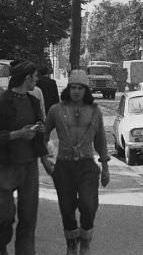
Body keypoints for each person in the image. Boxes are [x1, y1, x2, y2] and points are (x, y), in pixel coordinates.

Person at [43, 70, 110, 255]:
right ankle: (72, 244)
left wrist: (105, 167)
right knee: (67, 208)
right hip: (64, 166)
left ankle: (86, 242)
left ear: (86, 90)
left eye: (80, 87)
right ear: (68, 88)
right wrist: (46, 159)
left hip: (87, 165)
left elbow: (101, 140)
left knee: (88, 206)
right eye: (73, 87)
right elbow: (44, 135)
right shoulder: (56, 110)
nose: (76, 91)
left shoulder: (95, 111)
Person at [0, 59, 49, 255]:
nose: (37, 80)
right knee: (5, 216)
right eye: (35, 77)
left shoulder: (33, 101)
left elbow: (39, 133)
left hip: (30, 167)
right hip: (5, 167)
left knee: (28, 220)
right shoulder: (2, 102)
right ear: (27, 78)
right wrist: (18, 134)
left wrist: (40, 130)